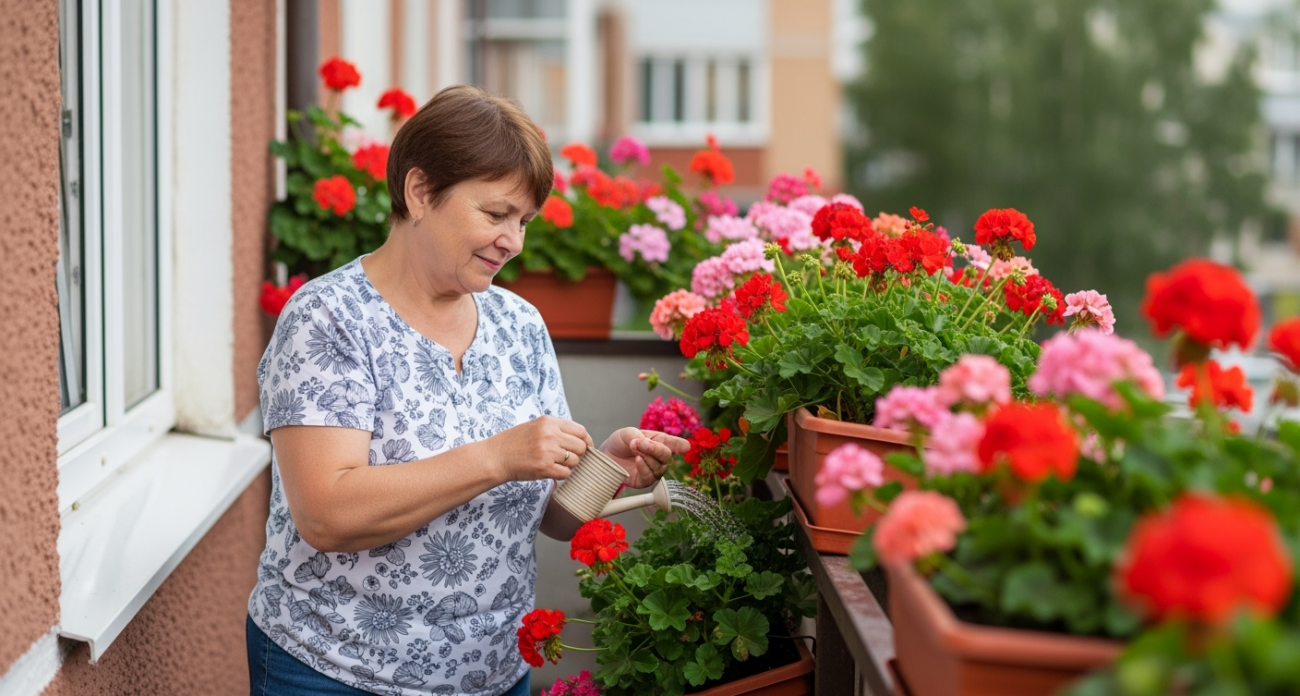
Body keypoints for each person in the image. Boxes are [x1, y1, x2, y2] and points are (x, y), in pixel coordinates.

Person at [246, 85, 690, 696]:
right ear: (421, 192)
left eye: (524, 221)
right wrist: (497, 457)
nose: (515, 241)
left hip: (493, 673)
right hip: (335, 670)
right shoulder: (330, 318)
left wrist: (602, 468)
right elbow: (326, 513)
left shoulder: (519, 325)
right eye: (495, 214)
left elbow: (548, 519)